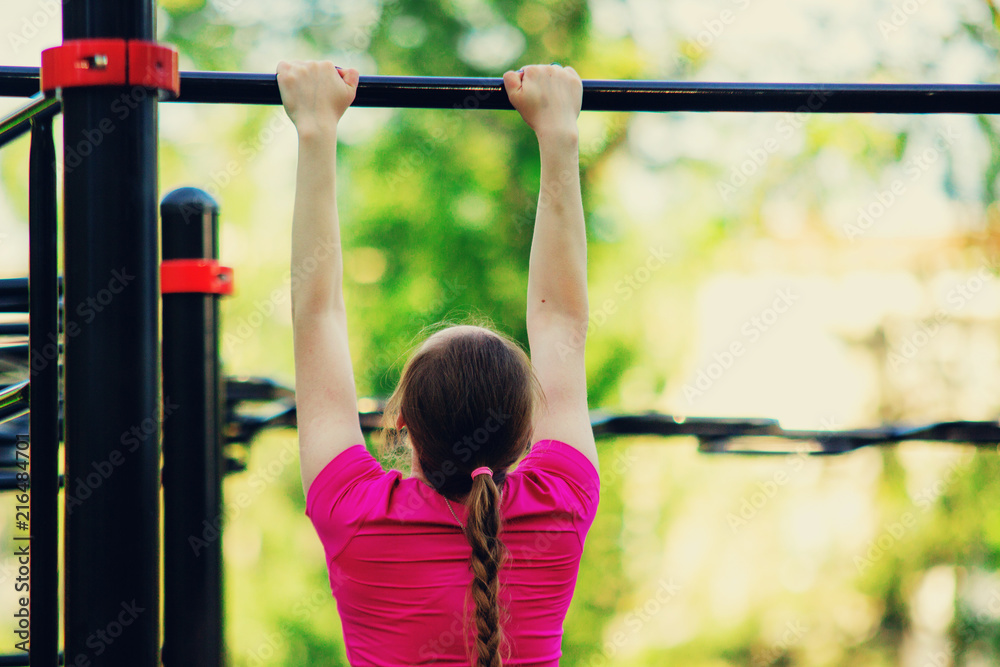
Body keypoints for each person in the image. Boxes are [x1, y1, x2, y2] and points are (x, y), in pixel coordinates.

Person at [277, 59, 600, 666]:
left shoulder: (355, 515)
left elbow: (316, 315)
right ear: (531, 431)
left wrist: (316, 130)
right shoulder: (561, 499)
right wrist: (560, 136)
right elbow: (560, 322)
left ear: (398, 424)